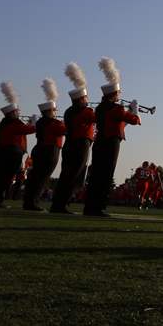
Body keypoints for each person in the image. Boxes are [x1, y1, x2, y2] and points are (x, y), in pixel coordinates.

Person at [84, 61, 141, 217]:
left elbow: (118, 123)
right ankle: (98, 207)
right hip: (111, 143)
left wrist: (127, 111)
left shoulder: (100, 108)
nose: (119, 95)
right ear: (113, 95)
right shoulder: (117, 109)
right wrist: (135, 110)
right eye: (118, 93)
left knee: (96, 175)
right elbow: (135, 120)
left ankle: (90, 207)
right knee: (106, 175)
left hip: (100, 141)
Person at [52, 63, 97, 214]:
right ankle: (61, 205)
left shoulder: (68, 111)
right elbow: (98, 118)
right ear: (81, 99)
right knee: (73, 175)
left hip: (69, 144)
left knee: (66, 174)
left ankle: (58, 204)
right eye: (85, 97)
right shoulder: (86, 111)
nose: (87, 99)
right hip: (80, 144)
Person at [23, 82, 66, 211]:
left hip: (40, 149)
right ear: (48, 111)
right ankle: (32, 202)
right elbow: (65, 130)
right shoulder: (53, 123)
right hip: (49, 150)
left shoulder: (41, 122)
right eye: (54, 110)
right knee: (41, 178)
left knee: (36, 177)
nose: (55, 112)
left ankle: (29, 201)